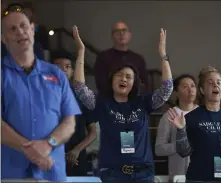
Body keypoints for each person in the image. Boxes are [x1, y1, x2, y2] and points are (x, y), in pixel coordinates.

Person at [72, 25, 173, 183]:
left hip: (143, 175)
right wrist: (81, 52)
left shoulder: (143, 102)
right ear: (111, 79)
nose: (124, 79)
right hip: (112, 175)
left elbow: (167, 89)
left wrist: (163, 55)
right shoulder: (102, 103)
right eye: (119, 75)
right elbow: (79, 88)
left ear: (134, 83)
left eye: (128, 76)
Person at [1, 5, 81, 181]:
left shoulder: (57, 74)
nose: (20, 32)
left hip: (52, 172)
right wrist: (30, 150)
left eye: (23, 26)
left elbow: (69, 122)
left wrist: (47, 144)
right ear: (3, 39)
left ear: (32, 29)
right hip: (10, 175)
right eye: (12, 29)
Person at [51, 51, 98, 176]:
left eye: (67, 66)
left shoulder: (81, 97)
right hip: (50, 158)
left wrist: (77, 150)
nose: (62, 70)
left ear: (72, 71)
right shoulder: (43, 97)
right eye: (57, 66)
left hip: (76, 160)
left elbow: (93, 133)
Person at [155, 74, 198, 182]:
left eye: (193, 86)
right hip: (179, 176)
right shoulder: (169, 115)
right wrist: (181, 145)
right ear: (176, 92)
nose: (190, 90)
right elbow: (159, 149)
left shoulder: (203, 114)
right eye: (185, 86)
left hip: (202, 175)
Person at [93, 21, 149, 95]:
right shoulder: (103, 57)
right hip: (110, 101)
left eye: (124, 30)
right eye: (117, 31)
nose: (121, 33)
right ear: (112, 36)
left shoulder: (138, 59)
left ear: (130, 35)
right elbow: (101, 83)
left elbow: (145, 84)